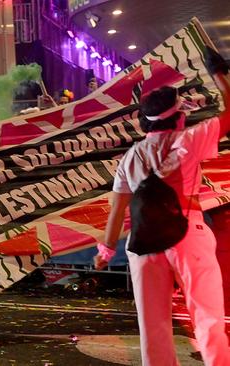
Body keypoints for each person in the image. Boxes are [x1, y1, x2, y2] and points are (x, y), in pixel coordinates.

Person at [93, 50, 230, 366]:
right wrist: (218, 72)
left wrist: (105, 251)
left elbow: (117, 212)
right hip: (187, 234)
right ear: (179, 117)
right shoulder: (190, 139)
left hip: (142, 245)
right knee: (207, 316)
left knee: (152, 326)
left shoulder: (130, 157)